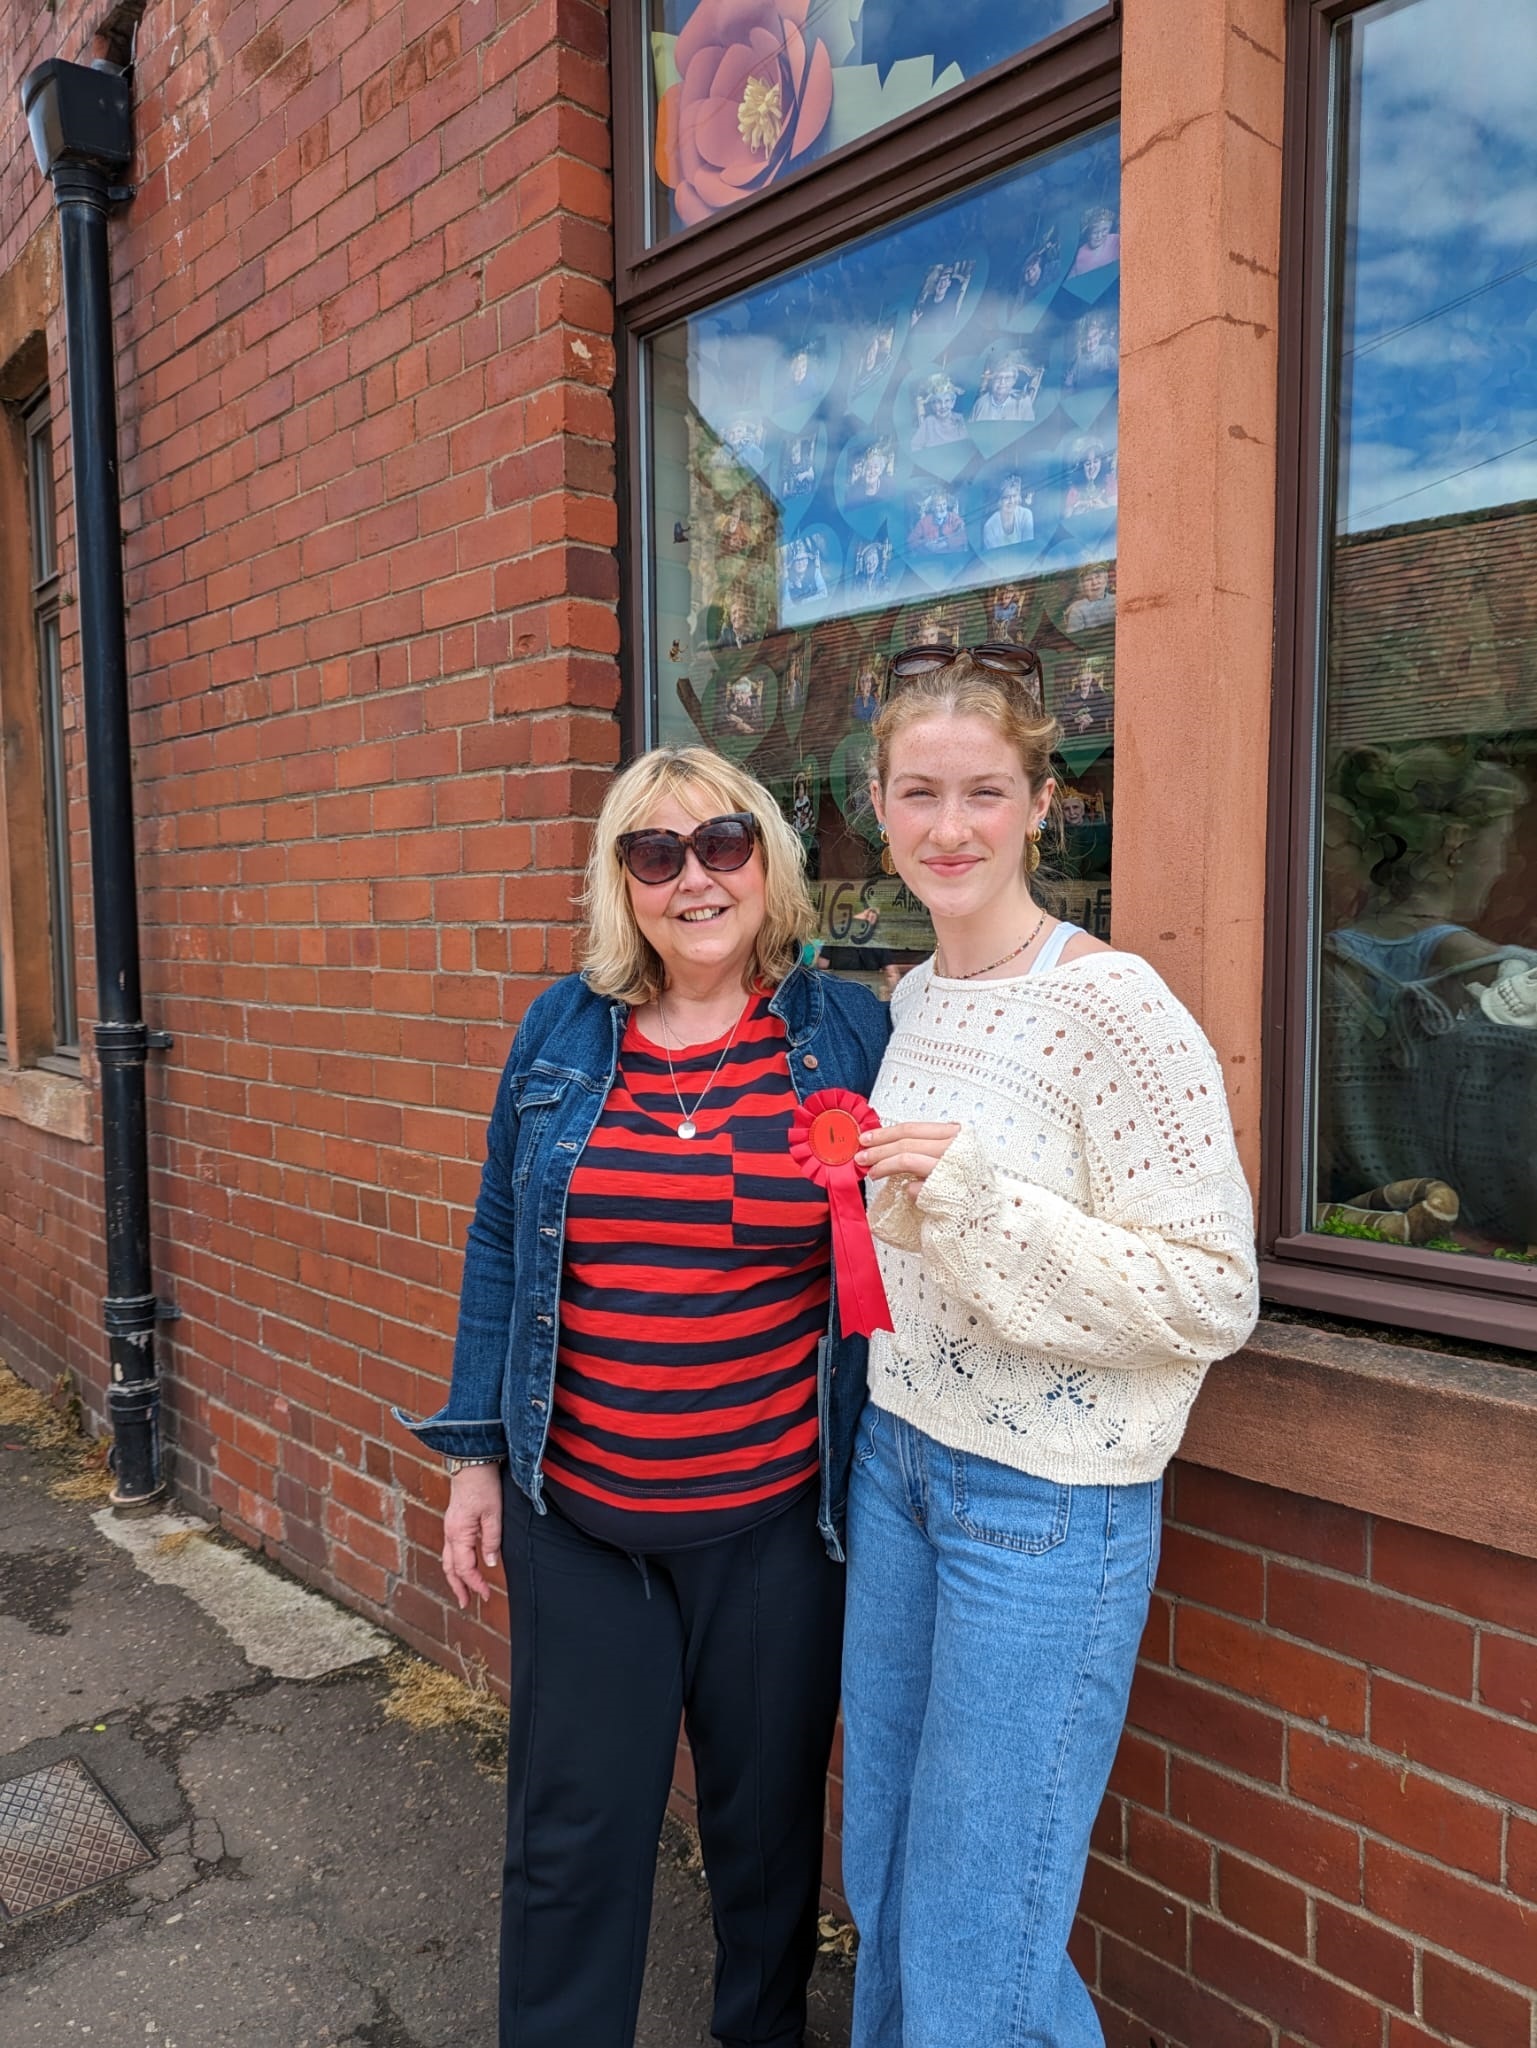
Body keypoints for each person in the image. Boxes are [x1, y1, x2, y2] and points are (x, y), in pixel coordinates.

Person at [397, 747, 889, 2048]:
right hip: (584, 1522)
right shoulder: (564, 1031)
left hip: (777, 1526)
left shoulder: (845, 1034)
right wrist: (472, 1460)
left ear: (765, 862)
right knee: (573, 1843)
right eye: (655, 853)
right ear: (624, 883)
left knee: (768, 1841)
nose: (693, 879)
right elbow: (501, 1239)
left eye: (721, 843)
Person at [840, 650, 1258, 2047]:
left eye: (981, 792)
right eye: (918, 793)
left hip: (1043, 1508)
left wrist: (969, 1200)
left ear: (1038, 804)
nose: (947, 826)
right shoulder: (913, 1004)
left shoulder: (1111, 1007)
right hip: (897, 1467)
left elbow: (1214, 1295)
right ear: (878, 808)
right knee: (888, 1873)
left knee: (979, 1934)